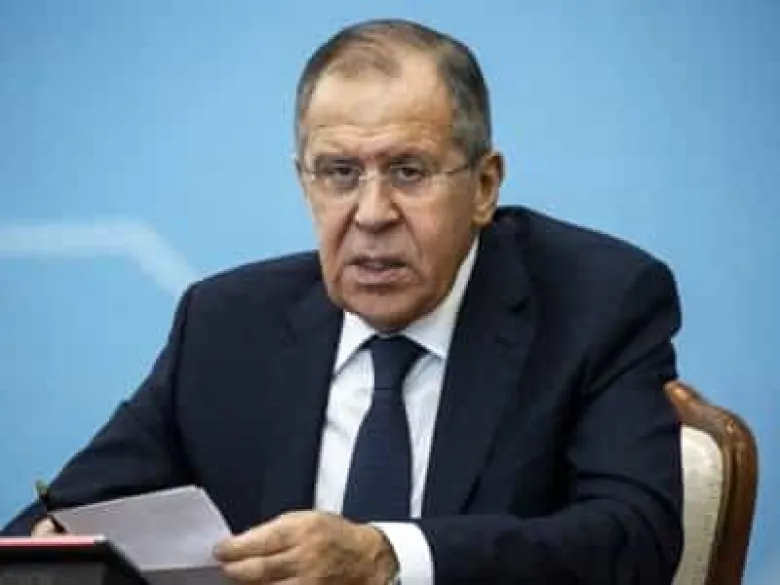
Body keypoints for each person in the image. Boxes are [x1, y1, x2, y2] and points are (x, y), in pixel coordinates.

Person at [2, 18, 684, 585]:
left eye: (408, 171)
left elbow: (634, 538)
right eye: (339, 172)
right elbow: (49, 529)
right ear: (304, 182)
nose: (372, 212)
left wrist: (389, 557)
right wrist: (55, 556)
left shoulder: (597, 304)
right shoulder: (226, 324)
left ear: (484, 186)